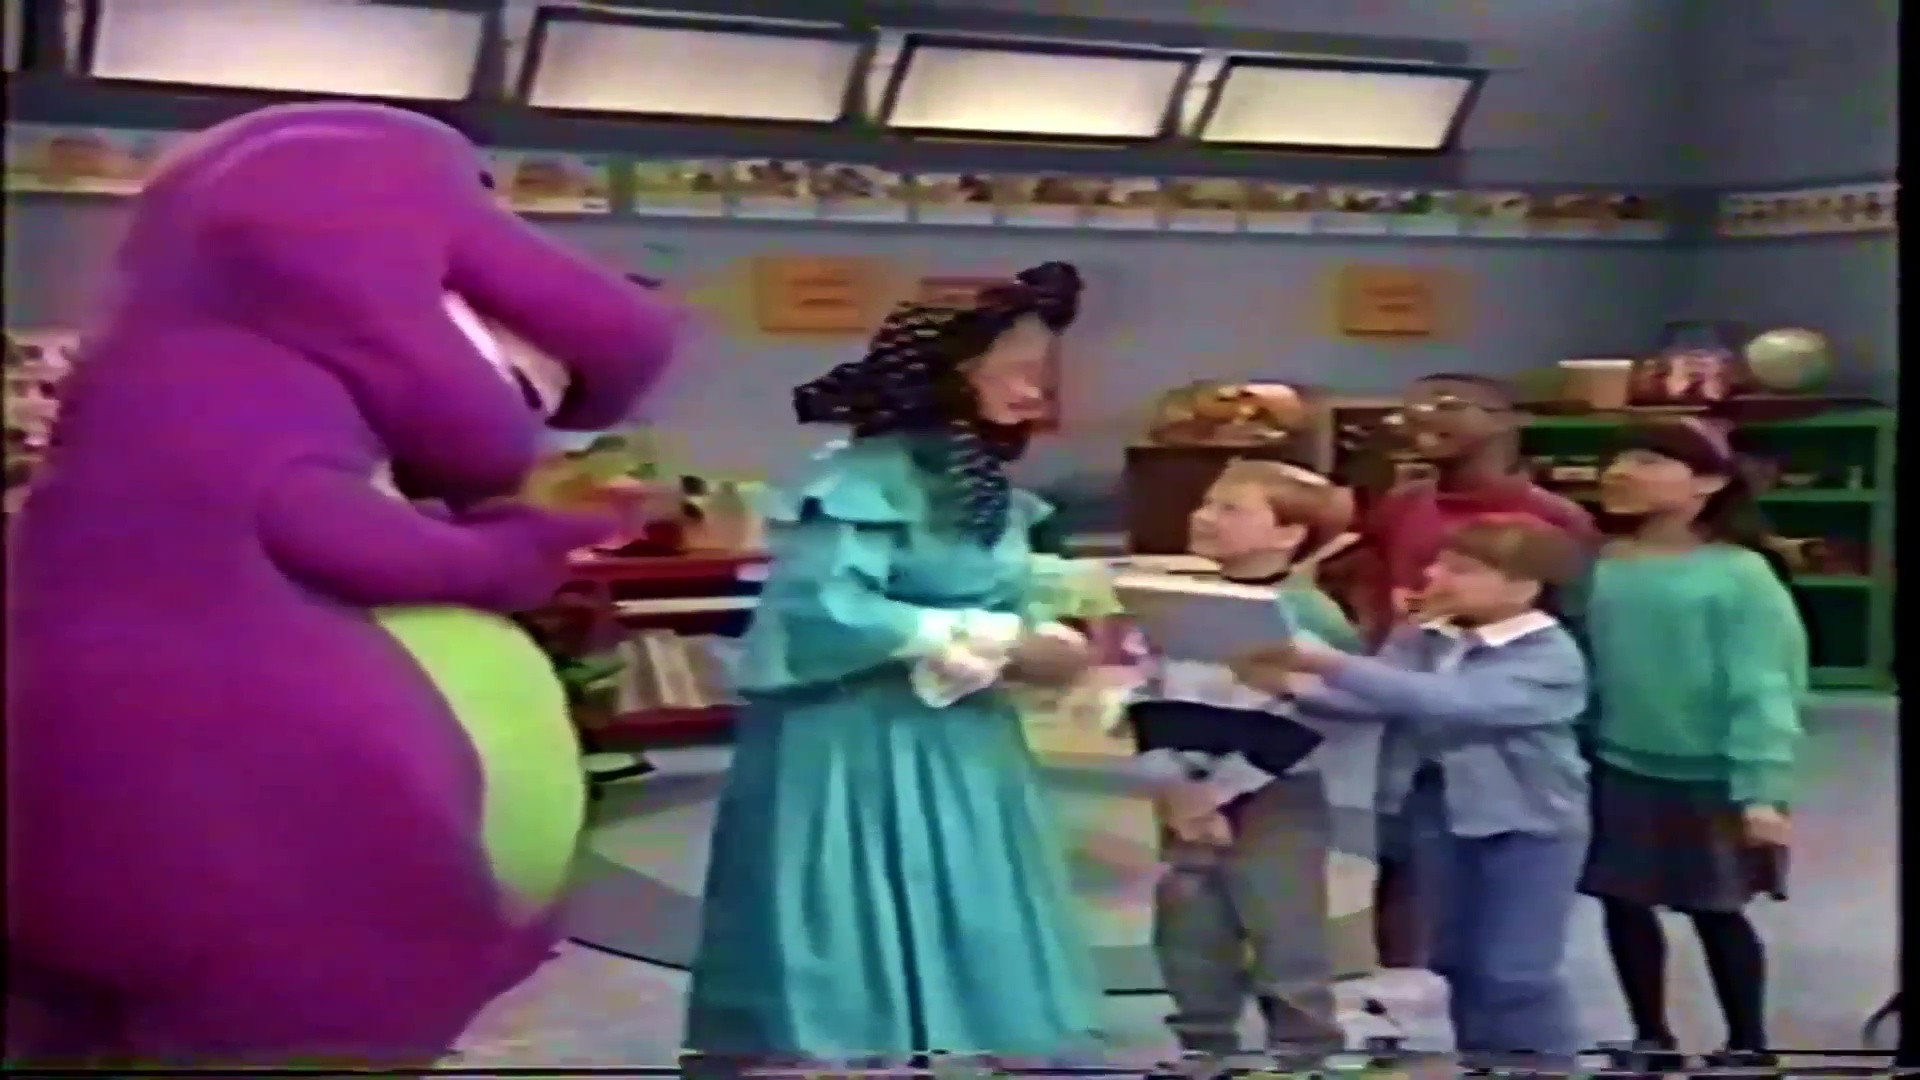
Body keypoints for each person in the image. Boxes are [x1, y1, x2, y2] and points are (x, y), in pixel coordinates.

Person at [5, 104, 679, 1065]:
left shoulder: (140, 392)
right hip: (240, 838)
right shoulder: (239, 413)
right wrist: (522, 545)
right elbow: (331, 529)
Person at [683, 263, 1105, 1065]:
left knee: (970, 903)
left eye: (1040, 375)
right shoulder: (861, 480)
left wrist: (1044, 640)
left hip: (964, 739)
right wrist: (968, 633)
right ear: (949, 374)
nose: (1033, 394)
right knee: (852, 917)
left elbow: (1013, 598)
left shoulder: (989, 492)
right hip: (852, 743)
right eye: (1017, 372)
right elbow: (822, 608)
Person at [1243, 514, 1592, 1065]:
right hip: (1438, 813)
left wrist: (1325, 662)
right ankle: (1483, 1060)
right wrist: (1289, 685)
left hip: (1531, 824)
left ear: (1524, 587)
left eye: (1462, 569)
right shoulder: (1428, 635)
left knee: (1516, 970)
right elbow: (1377, 698)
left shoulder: (1549, 656)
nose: (1435, 576)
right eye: (1440, 564)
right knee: (1455, 960)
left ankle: (1543, 1063)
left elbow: (1450, 702)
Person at [1577, 418, 1806, 1070]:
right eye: (1617, 459)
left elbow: (1765, 683)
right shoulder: (1601, 565)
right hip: (1618, 765)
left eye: (1648, 461)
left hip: (1712, 774)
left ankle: (1748, 1044)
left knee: (1717, 910)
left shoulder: (1739, 574)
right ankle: (1651, 1037)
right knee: (1623, 904)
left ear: (1707, 483)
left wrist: (1762, 788)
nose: (1621, 472)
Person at [1351, 374, 1596, 971]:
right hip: (1405, 702)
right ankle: (1408, 996)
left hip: (1506, 718)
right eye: (1413, 403)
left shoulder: (1553, 517)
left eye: (1447, 405)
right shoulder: (1402, 503)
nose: (1420, 416)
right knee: (1404, 869)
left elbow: (1576, 622)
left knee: (1504, 913)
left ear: (1504, 423)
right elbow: (1369, 577)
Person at [1126, 460, 1362, 1067]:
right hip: (1184, 787)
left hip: (1273, 791)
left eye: (1230, 508)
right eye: (1206, 503)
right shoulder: (1175, 603)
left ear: (1289, 533)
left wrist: (1220, 791)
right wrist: (1173, 782)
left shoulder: (1309, 614)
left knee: (1283, 925)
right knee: (1189, 925)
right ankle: (1204, 1043)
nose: (1204, 517)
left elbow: (1318, 717)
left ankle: (1305, 1050)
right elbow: (1150, 692)